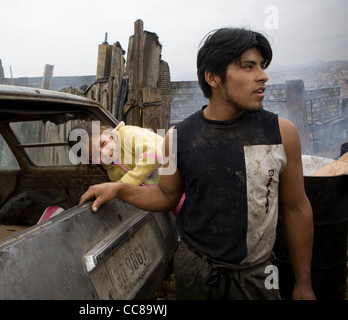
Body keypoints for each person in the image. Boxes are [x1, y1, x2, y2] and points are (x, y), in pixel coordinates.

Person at [79, 27, 316, 300]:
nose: (262, 76)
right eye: (248, 67)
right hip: (195, 273)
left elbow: (296, 207)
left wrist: (303, 284)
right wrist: (118, 189)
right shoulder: (177, 138)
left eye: (261, 66)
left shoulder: (282, 134)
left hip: (257, 275)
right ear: (213, 77)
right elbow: (165, 195)